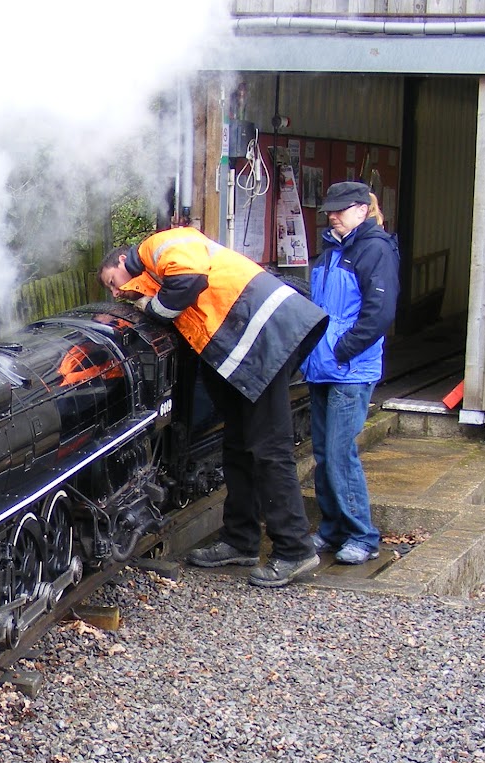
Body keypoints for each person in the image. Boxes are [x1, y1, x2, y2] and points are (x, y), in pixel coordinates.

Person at [99, 228, 328, 588]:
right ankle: (240, 540)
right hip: (248, 344)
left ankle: (295, 549)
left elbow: (189, 282)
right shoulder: (152, 274)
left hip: (268, 336)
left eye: (112, 282)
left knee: (270, 450)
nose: (115, 292)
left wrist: (150, 307)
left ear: (121, 261)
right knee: (237, 444)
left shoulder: (157, 247)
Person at [302, 181, 401, 565]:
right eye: (330, 209)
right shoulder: (333, 249)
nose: (332, 215)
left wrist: (341, 351)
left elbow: (379, 314)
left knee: (340, 454)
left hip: (350, 369)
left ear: (362, 210)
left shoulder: (375, 250)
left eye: (340, 209)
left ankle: (363, 535)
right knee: (325, 454)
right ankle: (332, 530)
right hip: (323, 368)